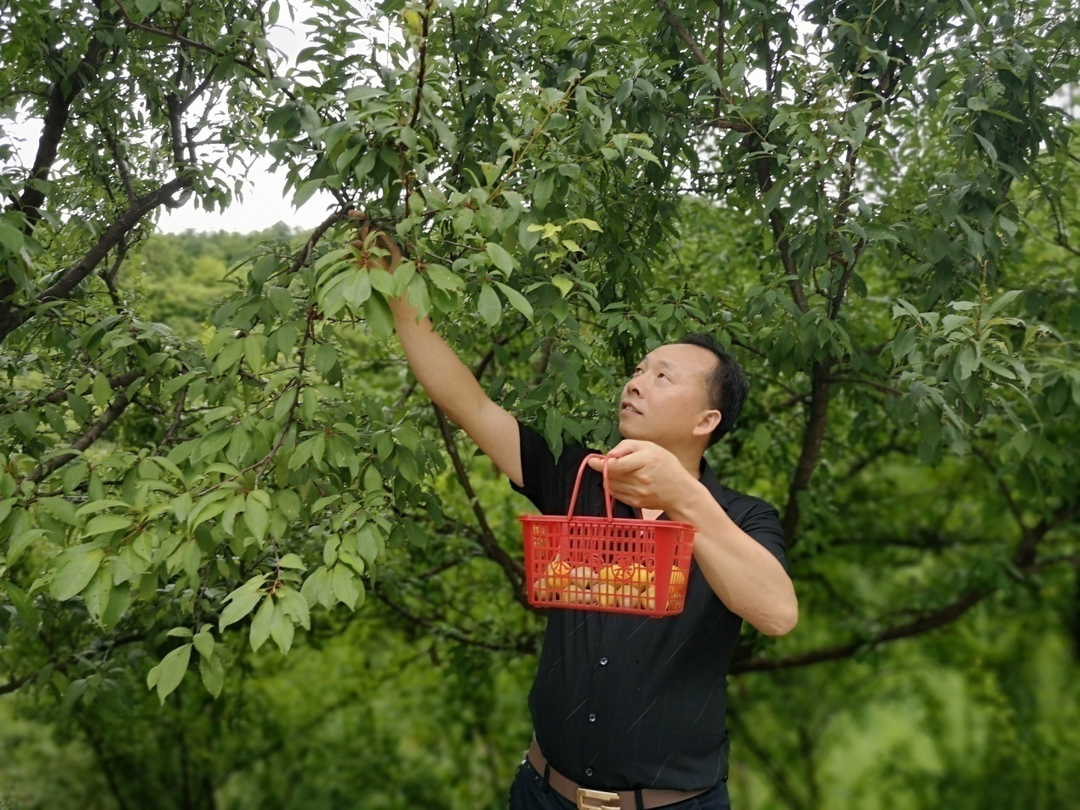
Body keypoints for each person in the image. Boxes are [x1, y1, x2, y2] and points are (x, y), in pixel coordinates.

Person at [350, 214, 798, 810]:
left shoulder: (743, 520)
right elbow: (471, 405)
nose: (636, 383)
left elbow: (775, 613)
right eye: (637, 370)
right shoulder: (578, 480)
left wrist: (683, 498)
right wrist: (398, 287)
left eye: (662, 376)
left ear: (705, 421)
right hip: (544, 795)